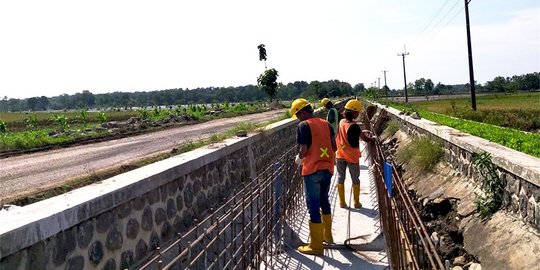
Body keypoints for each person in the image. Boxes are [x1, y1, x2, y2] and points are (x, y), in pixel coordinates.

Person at [290, 98, 337, 255]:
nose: (297, 118)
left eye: (297, 115)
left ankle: (316, 246)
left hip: (312, 170)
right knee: (324, 200)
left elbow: (303, 149)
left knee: (313, 205)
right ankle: (328, 236)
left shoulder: (303, 125)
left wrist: (299, 158)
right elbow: (334, 146)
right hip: (328, 168)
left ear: (302, 112)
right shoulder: (326, 123)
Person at [335, 99, 373, 208]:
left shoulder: (342, 122)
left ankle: (342, 202)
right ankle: (356, 203)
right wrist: (372, 138)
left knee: (341, 177)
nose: (358, 115)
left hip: (340, 155)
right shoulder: (354, 126)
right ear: (354, 112)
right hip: (352, 156)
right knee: (355, 179)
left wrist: (362, 132)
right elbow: (365, 139)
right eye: (357, 113)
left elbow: (352, 133)